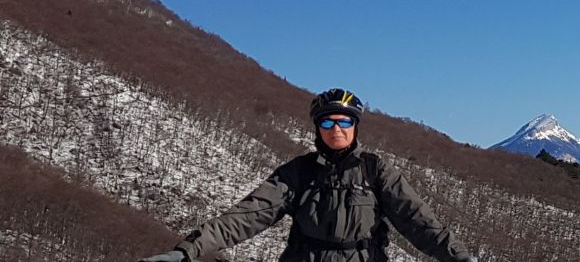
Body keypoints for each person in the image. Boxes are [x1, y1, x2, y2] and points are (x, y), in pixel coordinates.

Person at [138, 89, 475, 262]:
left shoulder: (377, 172)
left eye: (345, 121)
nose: (336, 129)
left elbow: (419, 222)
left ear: (356, 127)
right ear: (317, 128)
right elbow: (246, 216)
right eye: (327, 122)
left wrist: (460, 257)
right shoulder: (299, 173)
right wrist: (187, 251)